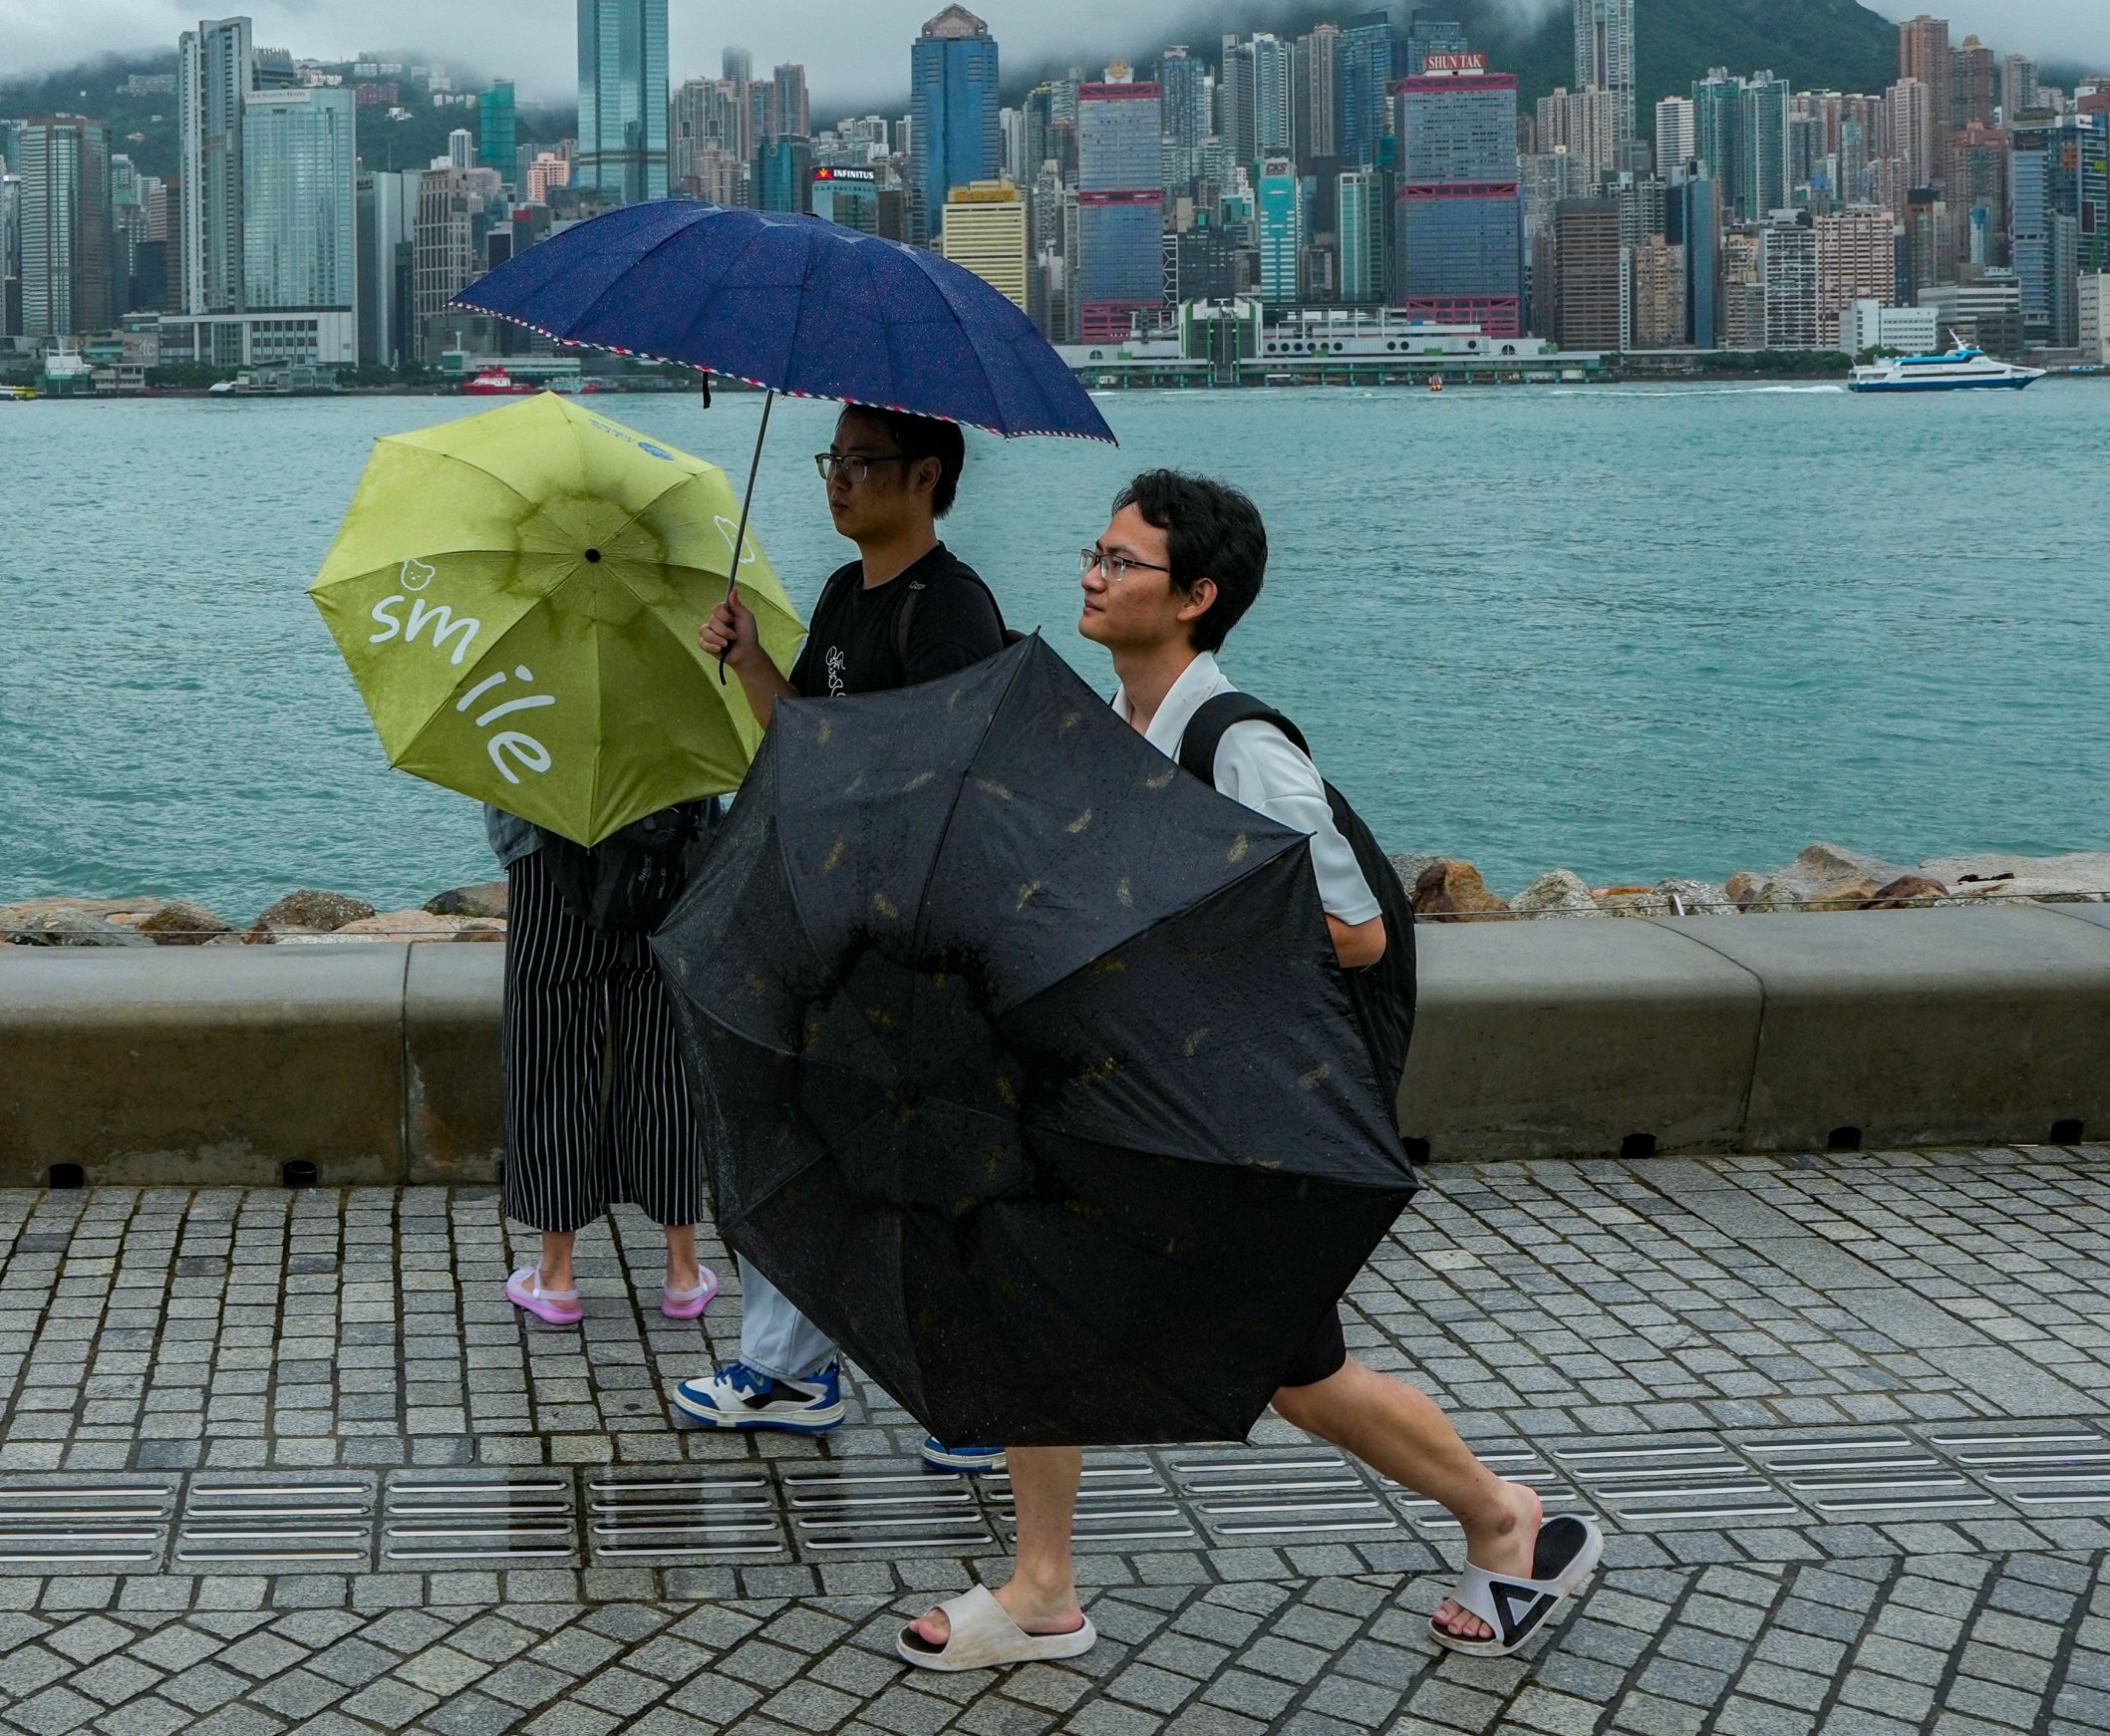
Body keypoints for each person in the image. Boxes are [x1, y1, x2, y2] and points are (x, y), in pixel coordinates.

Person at [898, 469, 1596, 1672]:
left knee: (1295, 1373)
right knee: (1031, 1280)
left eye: (1123, 562)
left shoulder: (1240, 745)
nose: (1092, 574)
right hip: (1187, 1079)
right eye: (1095, 552)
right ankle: (1042, 1589)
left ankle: (1505, 1520)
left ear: (1197, 597)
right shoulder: (1126, 728)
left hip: (1266, 1102)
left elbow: (1355, 935)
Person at [673, 401, 1009, 1476]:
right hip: (835, 923)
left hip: (913, 941)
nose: (838, 481)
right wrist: (752, 663)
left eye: (861, 464)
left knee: (920, 1162)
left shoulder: (951, 610)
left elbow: (949, 780)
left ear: (925, 476)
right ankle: (794, 1369)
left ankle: (970, 1394)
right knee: (805, 1137)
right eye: (832, 461)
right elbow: (805, 744)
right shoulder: (837, 595)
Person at [490, 796, 718, 1330]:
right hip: (665, 842)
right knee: (667, 1058)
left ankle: (556, 1274)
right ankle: (683, 1272)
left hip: (551, 847)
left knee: (551, 1054)